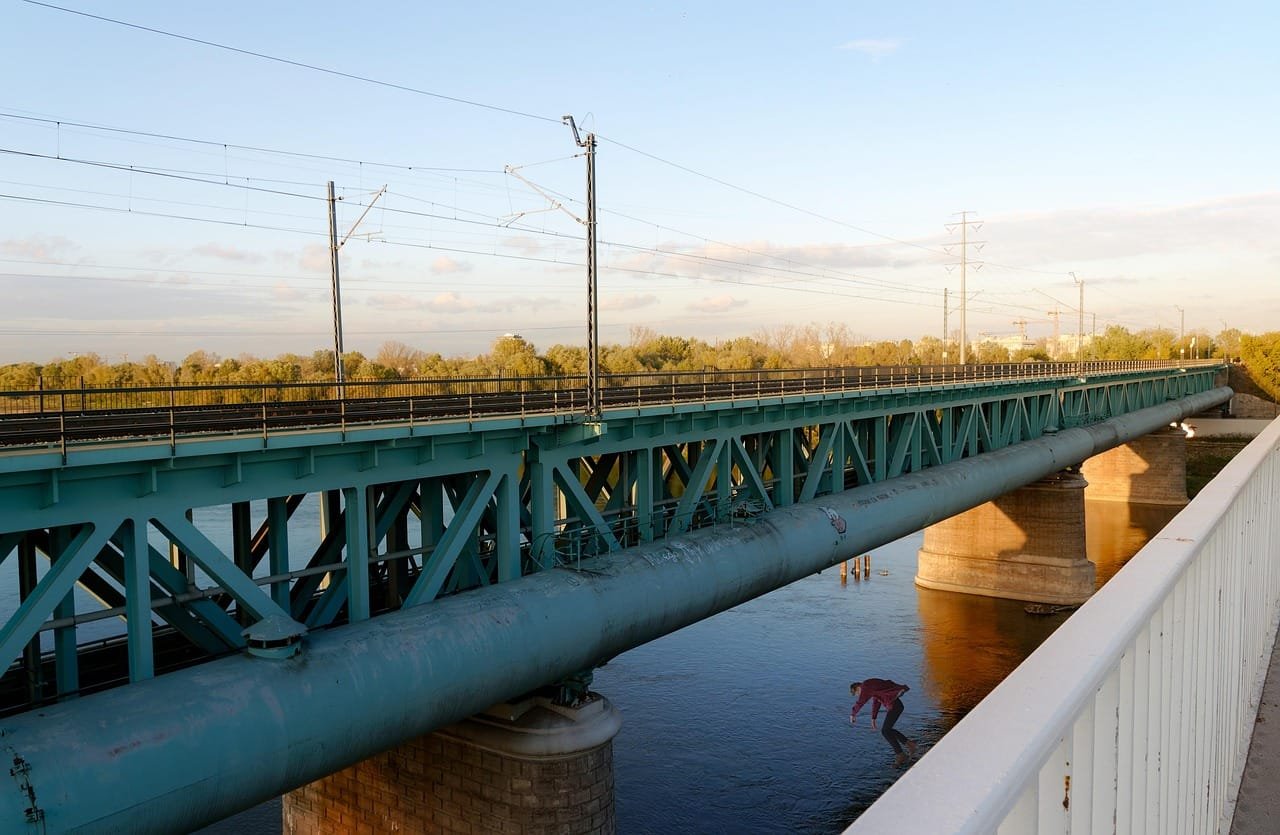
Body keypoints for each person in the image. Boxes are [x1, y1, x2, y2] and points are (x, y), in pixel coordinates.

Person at [850, 678, 918, 767]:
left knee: (885, 731)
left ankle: (901, 754)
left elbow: (861, 701)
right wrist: (873, 719)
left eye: (857, 693)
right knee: (887, 730)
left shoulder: (865, 686)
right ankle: (909, 745)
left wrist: (853, 714)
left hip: (895, 706)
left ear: (857, 688)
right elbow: (876, 702)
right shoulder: (870, 687)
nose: (860, 695)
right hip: (895, 706)